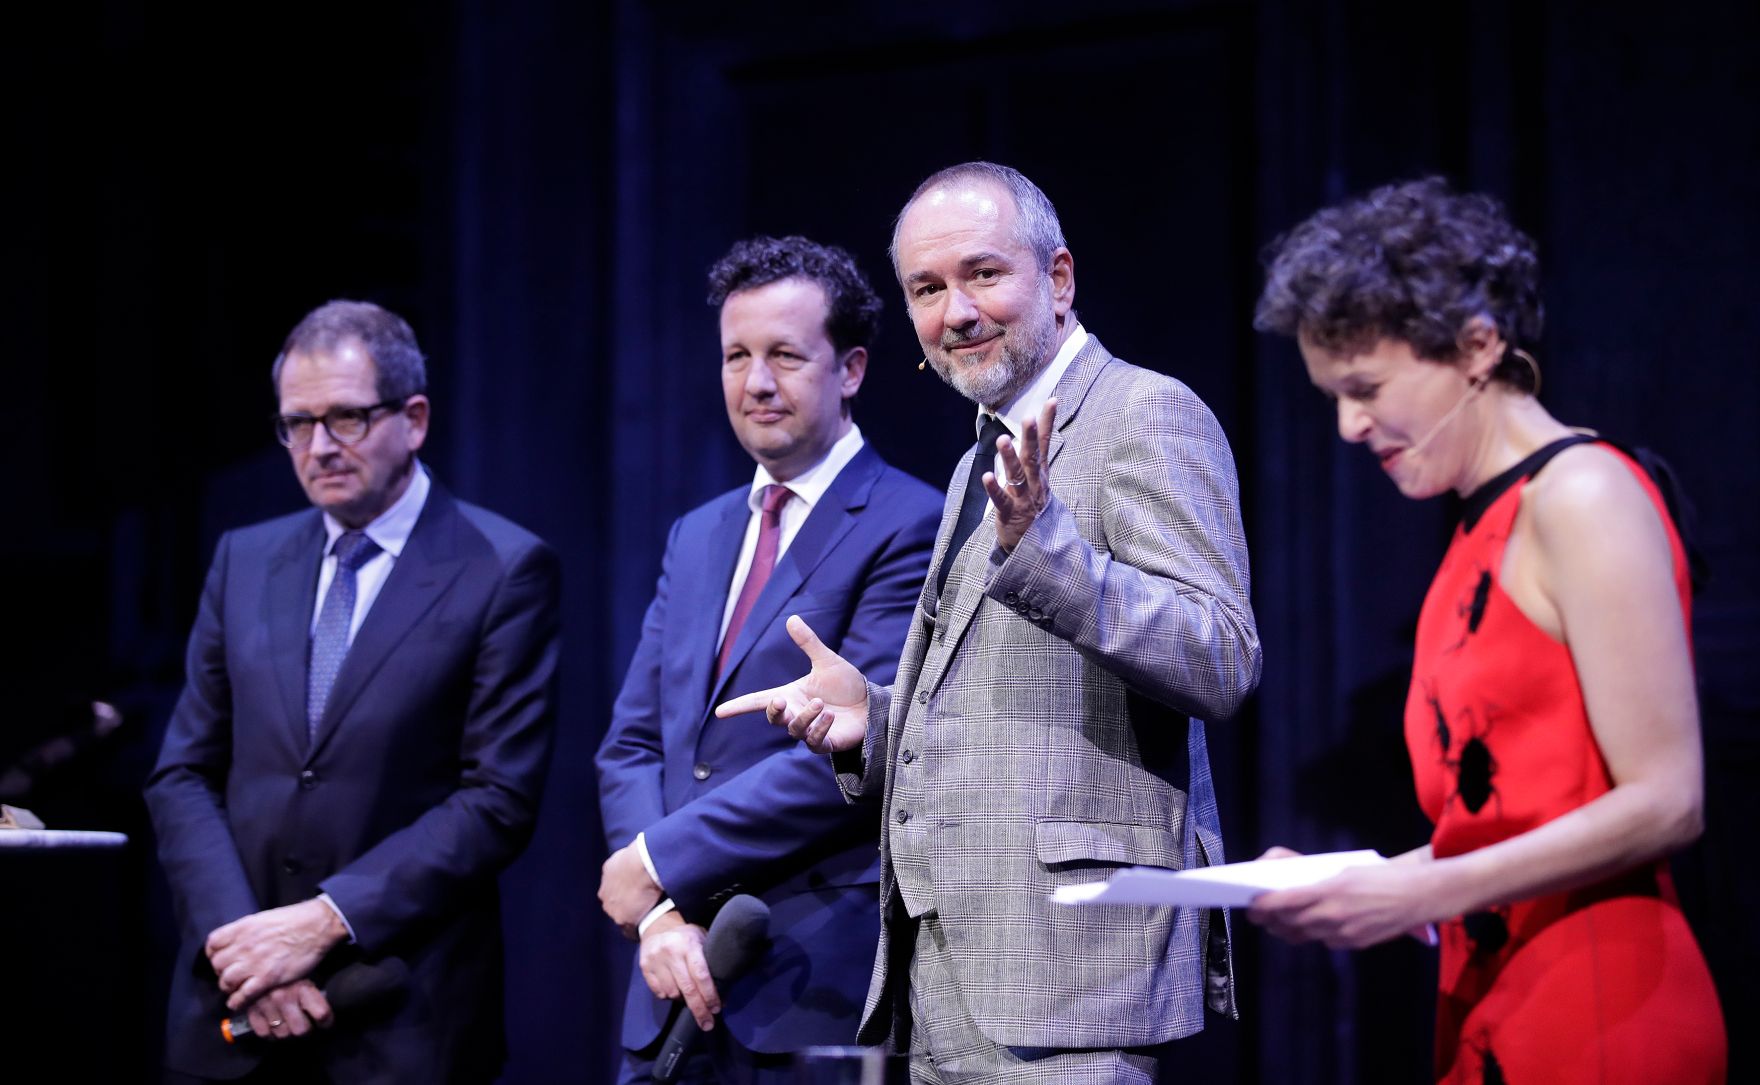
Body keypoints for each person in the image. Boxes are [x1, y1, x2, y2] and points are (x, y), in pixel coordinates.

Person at [718, 163, 1262, 1083]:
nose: (956, 311)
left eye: (983, 274)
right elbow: (996, 710)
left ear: (1058, 280)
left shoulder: (1145, 413)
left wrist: (1048, 551)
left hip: (1074, 979)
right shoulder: (984, 450)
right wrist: (872, 719)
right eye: (928, 289)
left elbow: (1221, 657)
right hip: (950, 974)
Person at [1248, 178, 1726, 1083]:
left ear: (1478, 345)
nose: (1348, 425)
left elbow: (1670, 797)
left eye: (1367, 388)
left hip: (1603, 1009)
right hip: (1496, 996)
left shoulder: (1585, 492)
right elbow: (1520, 813)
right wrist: (1361, 881)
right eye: (1331, 396)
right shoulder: (1477, 527)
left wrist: (1415, 891)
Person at [146, 300, 561, 1084]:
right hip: (233, 1012)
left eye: (345, 418)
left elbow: (497, 799)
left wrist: (323, 921)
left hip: (401, 1017)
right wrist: (248, 947)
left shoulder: (504, 568)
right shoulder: (243, 558)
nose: (319, 446)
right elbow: (183, 773)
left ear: (414, 417)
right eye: (297, 424)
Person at [595, 236, 942, 1082]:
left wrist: (655, 863)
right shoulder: (700, 531)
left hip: (807, 980)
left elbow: (851, 751)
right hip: (668, 979)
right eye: (736, 356)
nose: (755, 382)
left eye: (785, 355)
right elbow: (637, 742)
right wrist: (659, 917)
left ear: (850, 368)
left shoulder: (914, 522)